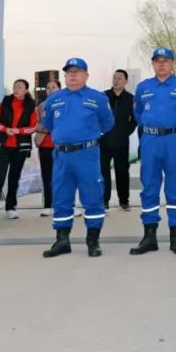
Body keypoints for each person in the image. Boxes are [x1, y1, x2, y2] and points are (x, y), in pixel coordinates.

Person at [130, 47, 176, 256]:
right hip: (150, 141)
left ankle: (175, 238)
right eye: (157, 61)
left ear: (172, 64)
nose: (161, 64)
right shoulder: (144, 87)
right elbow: (138, 112)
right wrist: (149, 127)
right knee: (149, 187)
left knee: (174, 187)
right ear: (153, 64)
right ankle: (149, 237)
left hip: (173, 140)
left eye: (165, 60)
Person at [41, 58, 114, 259]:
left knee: (92, 196)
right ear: (65, 76)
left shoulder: (98, 99)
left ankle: (93, 241)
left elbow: (107, 123)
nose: (72, 75)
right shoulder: (54, 99)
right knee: (61, 197)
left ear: (86, 75)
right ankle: (62, 241)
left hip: (86, 155)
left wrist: (87, 135)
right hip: (62, 156)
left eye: (77, 71)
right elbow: (48, 124)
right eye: (69, 72)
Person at [0, 79, 38, 222]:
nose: (16, 89)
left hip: (20, 148)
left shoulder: (31, 106)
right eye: (15, 87)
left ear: (26, 90)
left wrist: (18, 131)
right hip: (2, 146)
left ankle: (11, 208)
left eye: (20, 87)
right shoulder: (4, 102)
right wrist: (5, 129)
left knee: (14, 179)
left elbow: (33, 127)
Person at [102, 69, 138, 211]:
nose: (116, 80)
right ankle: (104, 201)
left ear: (126, 81)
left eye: (119, 78)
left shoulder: (131, 99)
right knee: (103, 172)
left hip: (121, 142)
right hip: (104, 142)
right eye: (114, 78)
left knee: (122, 172)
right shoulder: (103, 97)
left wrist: (125, 132)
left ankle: (124, 201)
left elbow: (134, 120)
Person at [34, 78, 61, 217]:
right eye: (48, 88)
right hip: (45, 145)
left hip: (61, 146)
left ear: (59, 89)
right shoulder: (41, 107)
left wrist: (50, 126)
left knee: (63, 177)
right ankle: (47, 205)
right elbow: (35, 125)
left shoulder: (65, 104)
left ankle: (66, 205)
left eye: (53, 87)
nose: (50, 90)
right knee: (47, 176)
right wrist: (49, 127)